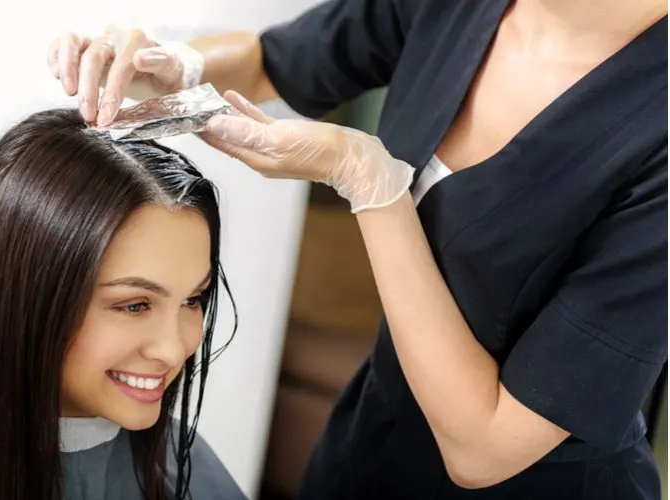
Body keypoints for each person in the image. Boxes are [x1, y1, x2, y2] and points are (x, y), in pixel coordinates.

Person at [49, 0, 668, 498]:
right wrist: (177, 65)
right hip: (368, 447)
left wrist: (366, 178)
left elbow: (487, 448)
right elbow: (276, 61)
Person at [0, 108, 246, 500]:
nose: (173, 350)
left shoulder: (183, 461)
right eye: (134, 305)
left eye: (192, 299)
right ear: (26, 296)